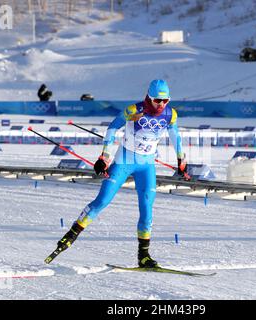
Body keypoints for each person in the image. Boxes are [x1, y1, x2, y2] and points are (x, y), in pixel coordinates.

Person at [56, 79, 189, 267]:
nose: (161, 104)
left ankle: (144, 256)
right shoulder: (133, 110)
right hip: (124, 161)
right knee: (102, 201)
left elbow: (176, 136)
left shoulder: (170, 114)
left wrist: (181, 159)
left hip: (146, 166)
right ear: (149, 97)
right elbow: (112, 128)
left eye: (165, 100)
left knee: (147, 210)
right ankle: (70, 235)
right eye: (157, 100)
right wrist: (104, 157)